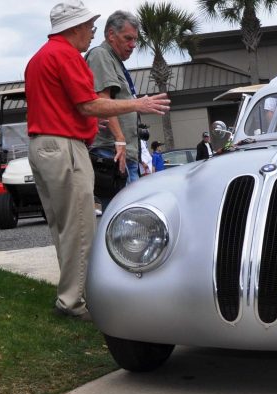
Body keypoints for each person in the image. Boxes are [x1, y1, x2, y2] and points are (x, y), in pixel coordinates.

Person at [25, 0, 171, 321]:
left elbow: (69, 106)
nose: (92, 33)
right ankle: (73, 303)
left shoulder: (40, 57)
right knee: (80, 227)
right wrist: (139, 103)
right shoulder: (66, 55)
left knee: (63, 225)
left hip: (42, 146)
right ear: (73, 27)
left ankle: (70, 296)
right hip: (64, 147)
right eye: (89, 27)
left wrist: (95, 122)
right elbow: (90, 104)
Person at [85, 10, 141, 184]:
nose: (133, 45)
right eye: (128, 38)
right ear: (111, 34)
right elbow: (104, 99)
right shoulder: (101, 55)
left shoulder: (114, 60)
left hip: (122, 151)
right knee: (122, 208)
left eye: (135, 40)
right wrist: (120, 140)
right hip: (112, 151)